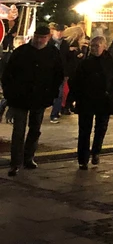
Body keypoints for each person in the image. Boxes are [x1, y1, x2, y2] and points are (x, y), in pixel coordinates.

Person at [2, 25, 64, 177]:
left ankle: (29, 157)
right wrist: (10, 95)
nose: (39, 40)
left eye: (43, 38)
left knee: (35, 129)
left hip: (40, 97)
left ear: (48, 38)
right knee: (18, 131)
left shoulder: (52, 53)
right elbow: (8, 74)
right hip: (20, 98)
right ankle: (15, 162)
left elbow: (58, 75)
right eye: (37, 37)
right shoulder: (21, 52)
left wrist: (52, 93)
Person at [67, 35, 113, 170]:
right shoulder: (85, 62)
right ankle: (83, 159)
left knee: (100, 129)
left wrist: (111, 92)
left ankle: (96, 152)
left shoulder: (110, 61)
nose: (94, 49)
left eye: (97, 46)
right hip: (86, 100)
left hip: (104, 100)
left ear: (104, 46)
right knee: (84, 130)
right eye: (92, 46)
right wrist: (72, 99)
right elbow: (75, 81)